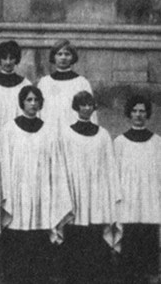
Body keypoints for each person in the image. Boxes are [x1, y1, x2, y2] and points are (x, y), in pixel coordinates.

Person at [0, 84, 73, 284]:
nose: (32, 104)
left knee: (40, 250)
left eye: (36, 100)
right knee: (16, 248)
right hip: (17, 193)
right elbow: (4, 162)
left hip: (42, 194)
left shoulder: (49, 130)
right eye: (28, 100)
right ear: (22, 103)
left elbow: (56, 163)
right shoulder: (9, 129)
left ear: (41, 103)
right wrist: (7, 192)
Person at [58, 91, 120, 284]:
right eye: (82, 105)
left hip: (96, 192)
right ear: (76, 107)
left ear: (94, 108)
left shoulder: (103, 135)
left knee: (94, 237)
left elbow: (109, 165)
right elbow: (62, 164)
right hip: (75, 192)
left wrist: (107, 193)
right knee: (76, 237)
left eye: (89, 105)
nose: (86, 108)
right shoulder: (66, 133)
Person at [113, 94, 161, 284]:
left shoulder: (157, 142)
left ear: (147, 114)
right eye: (134, 111)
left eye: (142, 111)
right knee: (130, 242)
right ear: (129, 114)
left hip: (149, 201)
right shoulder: (120, 142)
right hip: (129, 201)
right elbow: (114, 174)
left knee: (149, 243)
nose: (138, 115)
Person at [38, 38, 93, 126]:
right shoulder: (45, 82)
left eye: (67, 54)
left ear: (72, 57)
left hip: (74, 131)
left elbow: (90, 111)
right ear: (54, 56)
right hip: (49, 129)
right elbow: (39, 111)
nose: (63, 57)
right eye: (59, 54)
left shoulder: (81, 83)